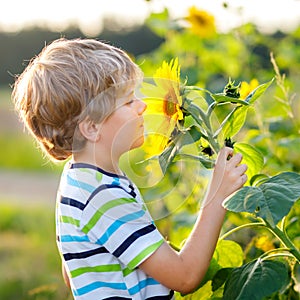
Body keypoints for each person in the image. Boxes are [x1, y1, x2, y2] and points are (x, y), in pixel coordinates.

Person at [12, 38, 248, 300]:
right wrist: (218, 195)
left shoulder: (79, 180)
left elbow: (74, 273)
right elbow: (185, 276)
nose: (143, 105)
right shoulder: (102, 196)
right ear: (91, 127)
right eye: (127, 102)